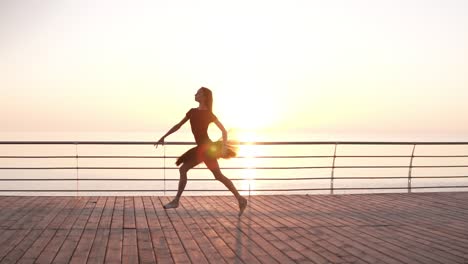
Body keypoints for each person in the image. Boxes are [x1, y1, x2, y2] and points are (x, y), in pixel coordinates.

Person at [155, 87, 248, 217]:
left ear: (204, 97)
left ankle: (176, 201)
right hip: (203, 148)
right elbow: (178, 125)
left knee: (185, 170)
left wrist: (223, 148)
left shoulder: (209, 114)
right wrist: (164, 137)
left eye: (198, 93)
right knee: (218, 176)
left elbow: (224, 131)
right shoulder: (192, 112)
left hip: (206, 149)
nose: (195, 94)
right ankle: (240, 199)